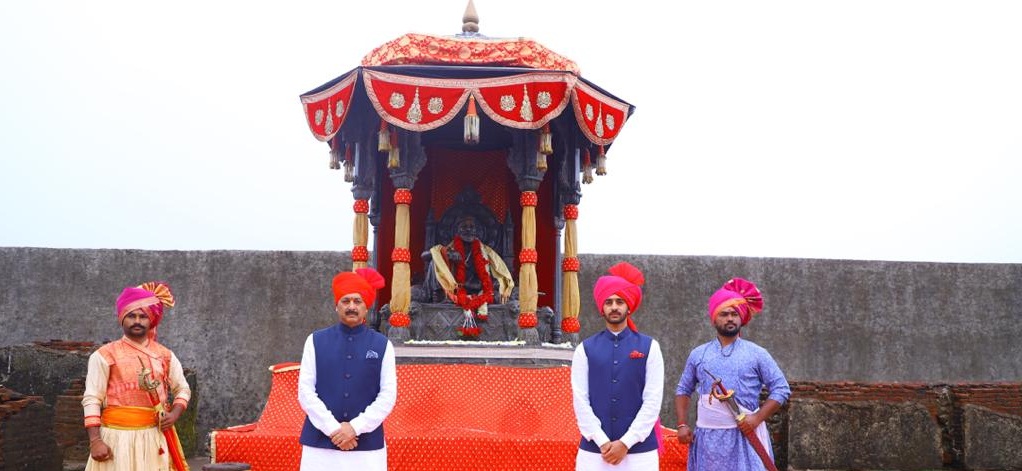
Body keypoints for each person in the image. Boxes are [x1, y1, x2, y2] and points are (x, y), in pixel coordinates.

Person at [675, 278, 791, 471]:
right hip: (707, 441)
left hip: (745, 435)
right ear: (714, 318)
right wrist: (681, 424)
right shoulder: (698, 354)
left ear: (741, 318)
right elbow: (683, 389)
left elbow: (781, 389)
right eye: (724, 313)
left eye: (735, 313)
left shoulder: (757, 353)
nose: (730, 318)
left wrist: (756, 419)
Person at [82, 282, 191, 471]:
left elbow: (183, 388)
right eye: (131, 315)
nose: (137, 321)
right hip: (116, 439)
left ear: (151, 320)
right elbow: (92, 398)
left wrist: (174, 414)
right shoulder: (104, 355)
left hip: (154, 438)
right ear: (122, 318)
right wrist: (95, 441)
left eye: (143, 316)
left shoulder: (165, 355)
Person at [298, 268, 397, 471]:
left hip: (367, 448)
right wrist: (334, 429)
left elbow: (388, 396)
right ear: (336, 306)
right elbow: (306, 392)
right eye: (346, 301)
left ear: (366, 307)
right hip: (320, 447)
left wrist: (355, 428)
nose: (351, 306)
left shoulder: (383, 345)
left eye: (357, 301)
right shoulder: (315, 341)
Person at [571, 262, 664, 470]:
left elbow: (653, 401)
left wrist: (625, 443)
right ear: (601, 308)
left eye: (620, 301)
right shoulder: (584, 349)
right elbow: (580, 401)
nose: (614, 307)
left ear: (628, 306)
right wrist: (602, 441)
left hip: (640, 453)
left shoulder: (650, 347)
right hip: (595, 453)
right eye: (609, 302)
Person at [425, 214, 514, 312]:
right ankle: (438, 297)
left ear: (476, 231)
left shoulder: (485, 251)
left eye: (471, 227)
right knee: (435, 261)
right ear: (457, 231)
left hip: (478, 287)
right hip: (455, 289)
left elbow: (501, 270)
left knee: (497, 294)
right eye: (464, 227)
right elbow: (424, 255)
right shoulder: (450, 248)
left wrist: (500, 284)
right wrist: (448, 254)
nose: (468, 230)